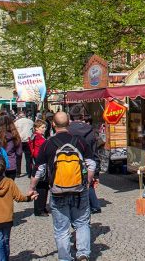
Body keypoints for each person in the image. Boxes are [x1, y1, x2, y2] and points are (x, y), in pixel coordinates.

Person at [29, 112, 96, 261]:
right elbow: (91, 163)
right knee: (82, 223)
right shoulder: (79, 141)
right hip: (79, 189)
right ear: (68, 124)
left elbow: (39, 168)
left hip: (57, 190)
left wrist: (32, 187)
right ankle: (83, 254)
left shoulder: (48, 144)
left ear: (53, 124)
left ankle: (65, 258)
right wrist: (87, 181)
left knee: (61, 229)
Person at [0, 156, 36, 261]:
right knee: (5, 242)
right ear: (4, 169)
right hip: (7, 219)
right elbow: (19, 197)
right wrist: (29, 198)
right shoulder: (9, 182)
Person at [68, 113, 101, 214]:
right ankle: (94, 205)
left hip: (73, 161)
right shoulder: (90, 130)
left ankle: (80, 205)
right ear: (81, 118)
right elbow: (95, 150)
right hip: (89, 160)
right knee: (88, 183)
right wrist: (96, 172)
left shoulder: (68, 130)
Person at [30, 120, 49, 216]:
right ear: (37, 128)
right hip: (40, 164)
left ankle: (42, 207)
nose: (44, 129)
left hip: (38, 164)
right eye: (42, 127)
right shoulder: (38, 138)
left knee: (44, 187)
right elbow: (38, 152)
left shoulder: (37, 136)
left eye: (45, 127)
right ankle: (39, 209)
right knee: (41, 187)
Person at [0, 115, 22, 179]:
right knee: (10, 186)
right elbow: (19, 153)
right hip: (11, 163)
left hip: (0, 164)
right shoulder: (15, 136)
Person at [14, 112, 35, 178]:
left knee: (18, 157)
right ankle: (29, 172)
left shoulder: (17, 122)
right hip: (29, 140)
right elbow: (33, 130)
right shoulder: (31, 121)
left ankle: (18, 172)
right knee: (28, 157)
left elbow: (15, 131)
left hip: (20, 140)